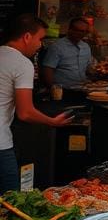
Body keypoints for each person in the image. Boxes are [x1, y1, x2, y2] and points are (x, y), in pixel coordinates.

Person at [0, 14, 72, 191]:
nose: (41, 45)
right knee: (10, 201)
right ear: (26, 37)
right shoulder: (22, 63)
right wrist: (52, 122)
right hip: (1, 144)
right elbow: (25, 113)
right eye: (40, 39)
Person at [40, 17, 95, 93]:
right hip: (64, 90)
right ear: (70, 30)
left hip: (83, 89)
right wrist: (53, 89)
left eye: (84, 32)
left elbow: (89, 67)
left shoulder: (86, 47)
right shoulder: (57, 47)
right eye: (78, 31)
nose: (81, 34)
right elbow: (48, 69)